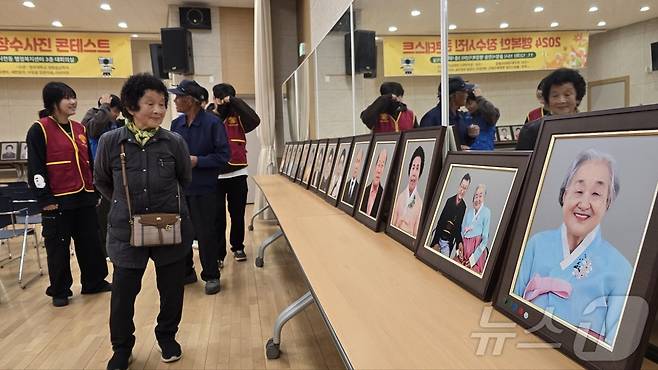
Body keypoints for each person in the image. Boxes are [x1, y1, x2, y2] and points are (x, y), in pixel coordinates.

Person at [95, 73, 193, 369]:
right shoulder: (111, 142)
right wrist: (127, 204)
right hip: (126, 229)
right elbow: (102, 181)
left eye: (162, 104)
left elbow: (184, 179)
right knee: (123, 293)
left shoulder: (173, 142)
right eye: (150, 103)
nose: (159, 110)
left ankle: (167, 337)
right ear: (130, 106)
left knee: (172, 289)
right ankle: (122, 347)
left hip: (168, 226)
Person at [513, 149, 630, 345]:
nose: (584, 204)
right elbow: (511, 308)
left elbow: (614, 349)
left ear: (607, 203)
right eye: (578, 191)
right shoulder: (536, 244)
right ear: (565, 194)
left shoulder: (621, 270)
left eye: (596, 194)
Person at [26, 82, 111, 308]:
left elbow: (89, 162)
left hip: (84, 196)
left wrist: (95, 190)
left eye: (74, 97)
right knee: (58, 246)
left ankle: (94, 281)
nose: (73, 102)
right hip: (57, 200)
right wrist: (44, 199)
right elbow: (35, 168)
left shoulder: (79, 129)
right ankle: (60, 289)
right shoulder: (39, 129)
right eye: (67, 98)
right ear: (53, 102)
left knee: (90, 242)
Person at [170, 79, 230, 295]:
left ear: (191, 101)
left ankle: (212, 275)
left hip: (205, 188)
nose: (175, 101)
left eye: (179, 97)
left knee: (206, 234)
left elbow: (224, 156)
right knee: (181, 233)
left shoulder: (213, 124)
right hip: (180, 188)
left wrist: (198, 161)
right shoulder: (176, 125)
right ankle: (187, 272)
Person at [211, 83, 260, 263]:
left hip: (238, 173)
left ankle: (238, 247)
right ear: (215, 99)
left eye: (227, 99)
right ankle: (218, 255)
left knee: (237, 214)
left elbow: (255, 120)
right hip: (215, 175)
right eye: (221, 99)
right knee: (217, 217)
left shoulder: (239, 116)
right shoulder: (209, 116)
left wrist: (233, 101)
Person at [82, 94, 125, 258]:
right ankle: (104, 250)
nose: (116, 115)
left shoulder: (114, 123)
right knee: (101, 217)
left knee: (113, 212)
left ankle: (114, 246)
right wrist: (104, 106)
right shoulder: (93, 117)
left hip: (115, 173)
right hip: (98, 175)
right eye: (114, 110)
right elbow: (92, 130)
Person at [516, 68, 587, 150]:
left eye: (567, 94)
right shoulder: (531, 131)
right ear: (547, 100)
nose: (561, 100)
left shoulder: (591, 126)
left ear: (577, 97)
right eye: (555, 95)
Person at [420, 76, 476, 147]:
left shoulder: (460, 117)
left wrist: (471, 136)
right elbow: (426, 146)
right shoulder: (431, 118)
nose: (467, 94)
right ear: (453, 95)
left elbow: (465, 143)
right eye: (464, 91)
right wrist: (455, 149)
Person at [429, 173, 470, 257]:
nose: (462, 190)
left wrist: (459, 242)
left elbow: (458, 227)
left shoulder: (463, 207)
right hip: (439, 237)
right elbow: (440, 222)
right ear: (459, 186)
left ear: (467, 190)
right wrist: (436, 242)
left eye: (465, 188)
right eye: (462, 187)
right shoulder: (449, 201)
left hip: (448, 243)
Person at [454, 184, 491, 273]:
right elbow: (462, 233)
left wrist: (473, 259)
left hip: (476, 256)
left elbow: (485, 240)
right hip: (464, 252)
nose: (477, 199)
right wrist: (460, 250)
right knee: (454, 267)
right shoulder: (469, 213)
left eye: (480, 196)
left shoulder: (486, 212)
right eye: (476, 196)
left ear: (484, 198)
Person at [391, 146, 425, 237]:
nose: (414, 173)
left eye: (417, 169)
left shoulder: (420, 204)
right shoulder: (400, 197)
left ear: (420, 174)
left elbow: (415, 235)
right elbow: (391, 225)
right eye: (413, 167)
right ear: (409, 170)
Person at [81, 94, 125, 161]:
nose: (117, 115)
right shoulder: (92, 116)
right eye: (115, 111)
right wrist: (105, 106)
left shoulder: (116, 124)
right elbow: (93, 131)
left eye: (118, 112)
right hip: (95, 165)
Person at [359, 149, 387, 218]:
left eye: (382, 166)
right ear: (374, 166)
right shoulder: (363, 191)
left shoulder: (384, 196)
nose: (379, 171)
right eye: (378, 164)